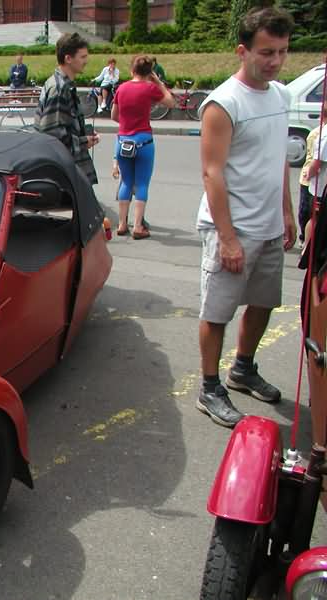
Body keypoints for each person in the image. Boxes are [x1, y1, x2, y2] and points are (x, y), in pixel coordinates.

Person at [195, 7, 296, 428]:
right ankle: (209, 387)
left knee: (263, 303)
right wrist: (228, 238)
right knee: (217, 311)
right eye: (266, 52)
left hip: (269, 224)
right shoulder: (224, 103)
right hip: (231, 228)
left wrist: (287, 211)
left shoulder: (281, 96)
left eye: (282, 51)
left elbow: (278, 159)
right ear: (243, 51)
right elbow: (212, 173)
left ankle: (243, 368)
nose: (276, 61)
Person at [110, 55, 174, 239]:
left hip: (123, 141)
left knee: (126, 181)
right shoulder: (150, 88)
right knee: (142, 183)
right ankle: (138, 226)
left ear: (132, 70)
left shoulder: (121, 88)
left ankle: (122, 224)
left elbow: (114, 116)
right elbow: (170, 102)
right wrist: (158, 82)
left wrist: (127, 124)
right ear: (149, 72)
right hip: (143, 141)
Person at [35, 32, 100, 186]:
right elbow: (51, 136)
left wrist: (83, 134)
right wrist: (84, 142)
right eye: (82, 57)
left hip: (67, 169)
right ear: (68, 58)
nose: (86, 61)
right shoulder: (59, 88)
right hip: (64, 173)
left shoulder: (61, 84)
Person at [298, 101, 327, 243]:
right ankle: (307, 246)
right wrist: (309, 174)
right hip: (319, 188)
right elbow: (315, 163)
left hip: (319, 185)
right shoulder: (321, 134)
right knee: (313, 218)